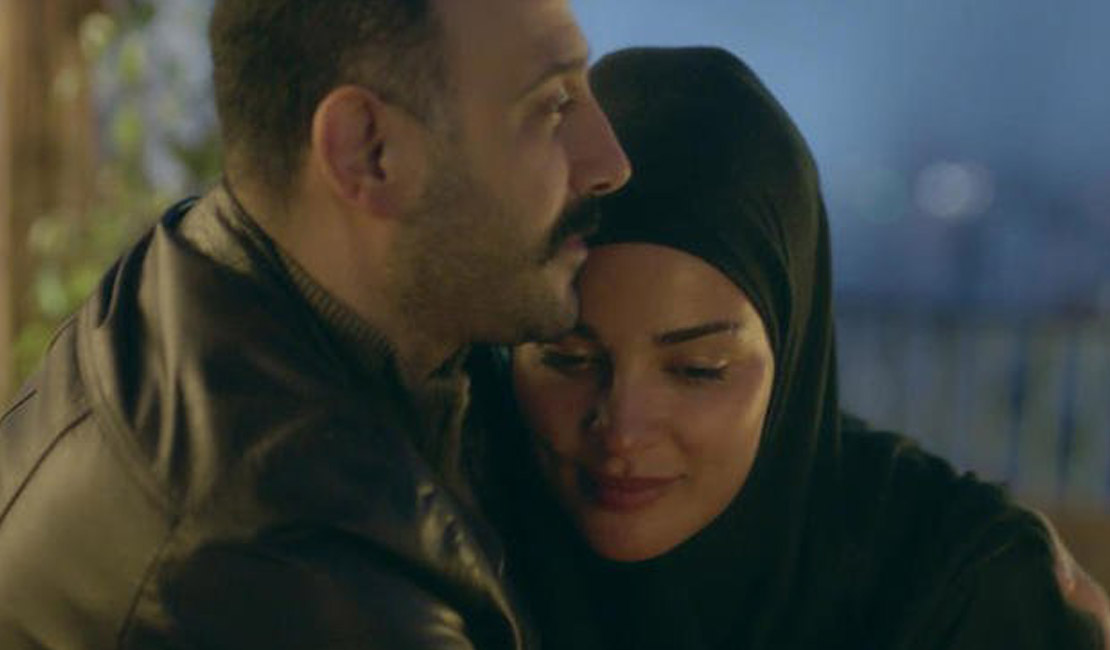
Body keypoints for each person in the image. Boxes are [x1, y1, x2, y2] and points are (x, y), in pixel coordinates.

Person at [0, 0, 629, 648]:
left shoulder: (203, 273)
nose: (610, 162)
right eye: (553, 105)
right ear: (367, 151)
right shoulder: (290, 574)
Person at [469, 46, 1109, 649]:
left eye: (698, 370)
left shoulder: (953, 587)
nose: (623, 431)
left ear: (793, 358)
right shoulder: (448, 532)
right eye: (570, 360)